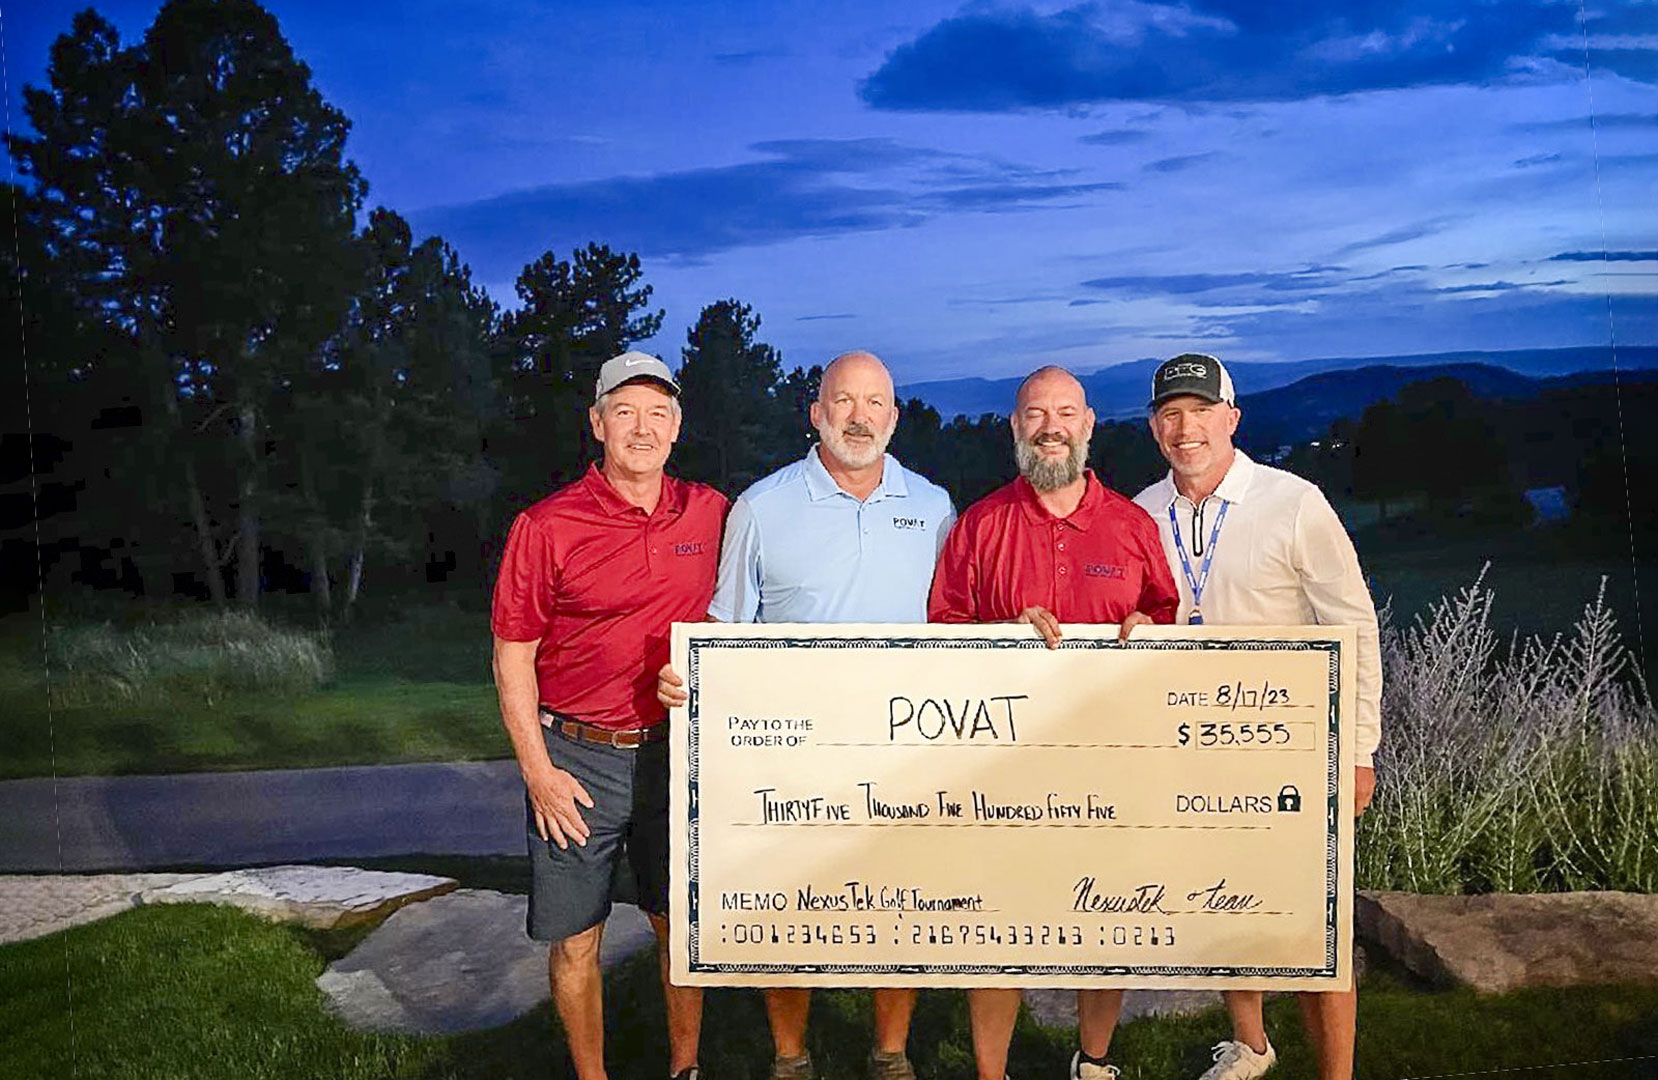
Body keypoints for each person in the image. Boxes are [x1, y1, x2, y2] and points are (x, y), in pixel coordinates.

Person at [658, 349, 955, 1080]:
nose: (860, 416)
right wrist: (690, 680)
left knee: (899, 904)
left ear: (894, 416)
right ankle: (791, 1055)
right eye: (843, 401)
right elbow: (725, 627)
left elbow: (956, 627)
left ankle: (890, 1051)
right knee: (787, 905)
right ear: (816, 413)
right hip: (789, 753)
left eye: (875, 403)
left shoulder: (934, 505)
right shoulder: (762, 506)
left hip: (900, 749)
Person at [1132, 352, 1382, 1080]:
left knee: (1313, 928)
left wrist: (1359, 749)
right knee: (1226, 907)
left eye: (1202, 411)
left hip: (1291, 752)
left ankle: (1337, 1074)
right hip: (1188, 752)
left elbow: (1354, 627)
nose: (1187, 429)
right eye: (1172, 415)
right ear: (1154, 428)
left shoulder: (1294, 502)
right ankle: (1252, 1045)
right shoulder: (1141, 514)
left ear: (1231, 418)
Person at [927, 365, 1179, 1080]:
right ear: (1015, 428)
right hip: (1002, 764)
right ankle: (990, 1071)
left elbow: (1165, 614)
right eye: (1035, 414)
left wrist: (1146, 626)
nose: (1050, 427)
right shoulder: (981, 524)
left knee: (1108, 915)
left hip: (1111, 759)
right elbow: (941, 632)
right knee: (995, 922)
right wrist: (1003, 632)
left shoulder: (1132, 526)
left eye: (1065, 413)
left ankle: (1093, 1060)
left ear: (1089, 425)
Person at [491, 351, 728, 1080]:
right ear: (597, 424)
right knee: (575, 940)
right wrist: (540, 775)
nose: (642, 428)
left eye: (658, 413)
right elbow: (512, 659)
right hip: (577, 756)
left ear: (678, 428)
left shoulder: (713, 513)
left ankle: (684, 1068)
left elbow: (752, 611)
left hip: (675, 753)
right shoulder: (546, 524)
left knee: (678, 929)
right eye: (624, 411)